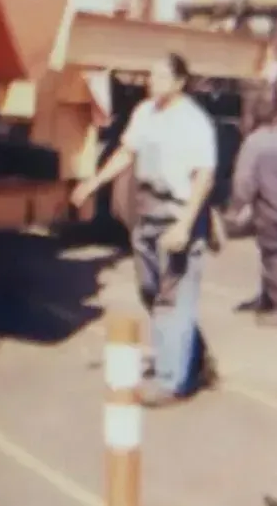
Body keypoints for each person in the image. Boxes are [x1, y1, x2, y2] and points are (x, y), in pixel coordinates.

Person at [72, 52, 217, 406]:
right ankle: (194, 358)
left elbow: (204, 176)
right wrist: (93, 183)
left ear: (180, 82)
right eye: (151, 76)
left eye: (161, 77)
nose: (152, 82)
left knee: (173, 298)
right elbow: (125, 153)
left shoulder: (193, 121)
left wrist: (184, 225)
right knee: (150, 290)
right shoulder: (145, 113)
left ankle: (171, 382)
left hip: (178, 214)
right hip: (147, 212)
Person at [228, 92, 277, 325]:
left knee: (273, 257)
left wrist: (236, 208)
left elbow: (244, 181)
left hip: (270, 210)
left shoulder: (255, 142)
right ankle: (267, 299)